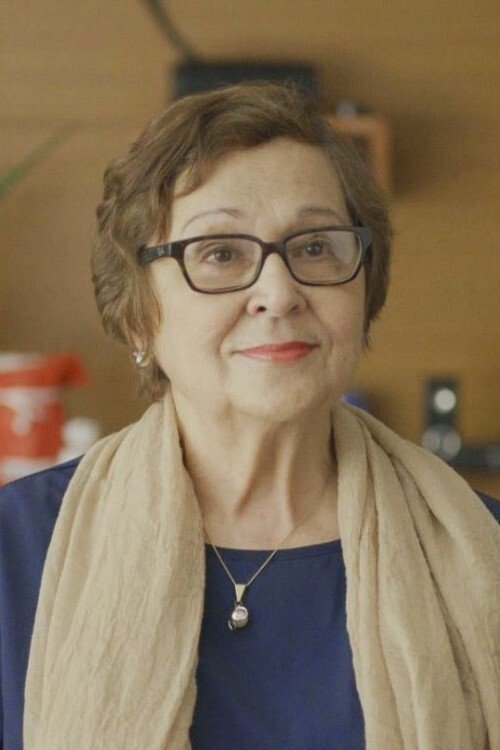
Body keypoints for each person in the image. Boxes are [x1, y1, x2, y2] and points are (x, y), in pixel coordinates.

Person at [0, 81, 498, 750]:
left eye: (315, 247)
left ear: (364, 289)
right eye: (220, 253)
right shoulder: (16, 550)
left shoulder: (482, 551)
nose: (279, 292)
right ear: (138, 313)